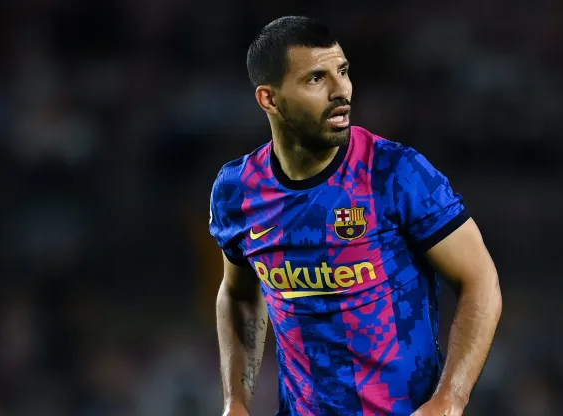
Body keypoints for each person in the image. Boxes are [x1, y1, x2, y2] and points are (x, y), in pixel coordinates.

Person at [209, 15, 502, 416]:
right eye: (316, 78)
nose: (340, 90)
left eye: (342, 71)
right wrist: (236, 402)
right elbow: (239, 295)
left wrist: (451, 397)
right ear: (269, 99)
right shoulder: (237, 191)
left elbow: (479, 278)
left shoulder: (395, 172)